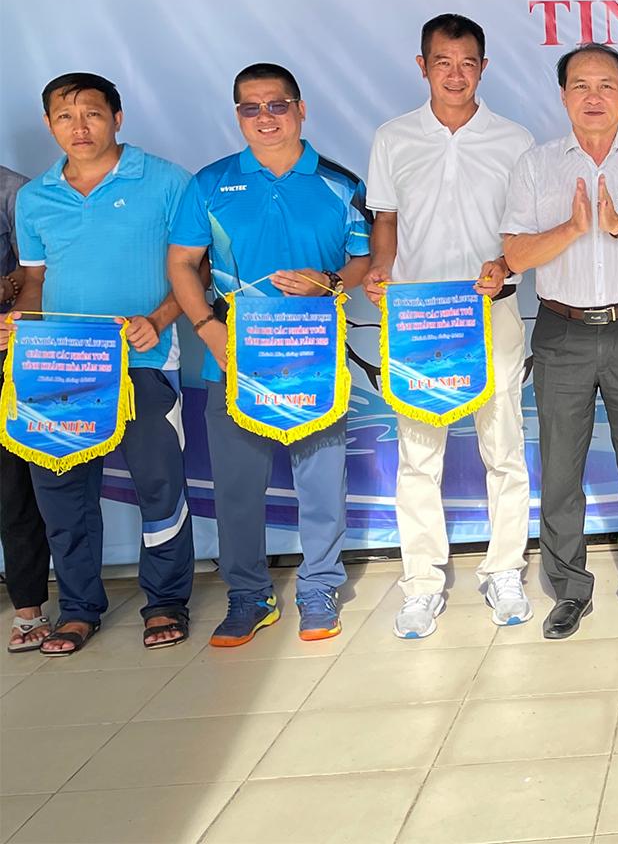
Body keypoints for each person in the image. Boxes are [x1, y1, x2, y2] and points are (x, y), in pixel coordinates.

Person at [167, 63, 370, 646]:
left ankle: (319, 587)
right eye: (251, 108)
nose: (265, 118)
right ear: (238, 116)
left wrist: (331, 280)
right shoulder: (210, 183)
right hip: (231, 352)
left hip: (315, 351)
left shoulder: (338, 182)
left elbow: (363, 261)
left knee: (321, 479)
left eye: (277, 105)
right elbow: (182, 264)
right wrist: (209, 330)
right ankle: (248, 595)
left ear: (301, 109)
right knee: (236, 485)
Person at [3, 75, 195, 657]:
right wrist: (20, 321)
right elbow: (34, 278)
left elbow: (196, 270)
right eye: (66, 117)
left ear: (118, 117)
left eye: (92, 114)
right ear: (50, 125)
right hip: (57, 366)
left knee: (159, 487)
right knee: (60, 491)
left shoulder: (167, 182)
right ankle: (81, 607)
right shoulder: (34, 198)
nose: (79, 128)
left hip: (145, 360)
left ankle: (165, 601)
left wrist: (160, 320)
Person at [502, 43, 618, 638]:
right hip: (561, 332)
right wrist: (573, 228)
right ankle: (568, 589)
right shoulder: (537, 165)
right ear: (562, 96)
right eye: (580, 85)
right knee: (561, 468)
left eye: (606, 85)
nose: (593, 97)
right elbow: (515, 255)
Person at [365, 15, 536, 638]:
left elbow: (524, 231)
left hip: (492, 312)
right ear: (423, 66)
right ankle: (422, 582)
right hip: (419, 318)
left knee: (504, 450)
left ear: (483, 68)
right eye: (443, 62)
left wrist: (506, 265)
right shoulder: (393, 137)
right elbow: (384, 218)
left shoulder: (515, 140)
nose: (455, 74)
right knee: (418, 456)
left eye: (467, 63)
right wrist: (381, 268)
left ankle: (505, 570)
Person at [0, 162, 52, 655]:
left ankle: (28, 608)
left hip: (7, 357)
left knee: (14, 490)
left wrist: (9, 287)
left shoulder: (16, 191)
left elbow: (36, 270)